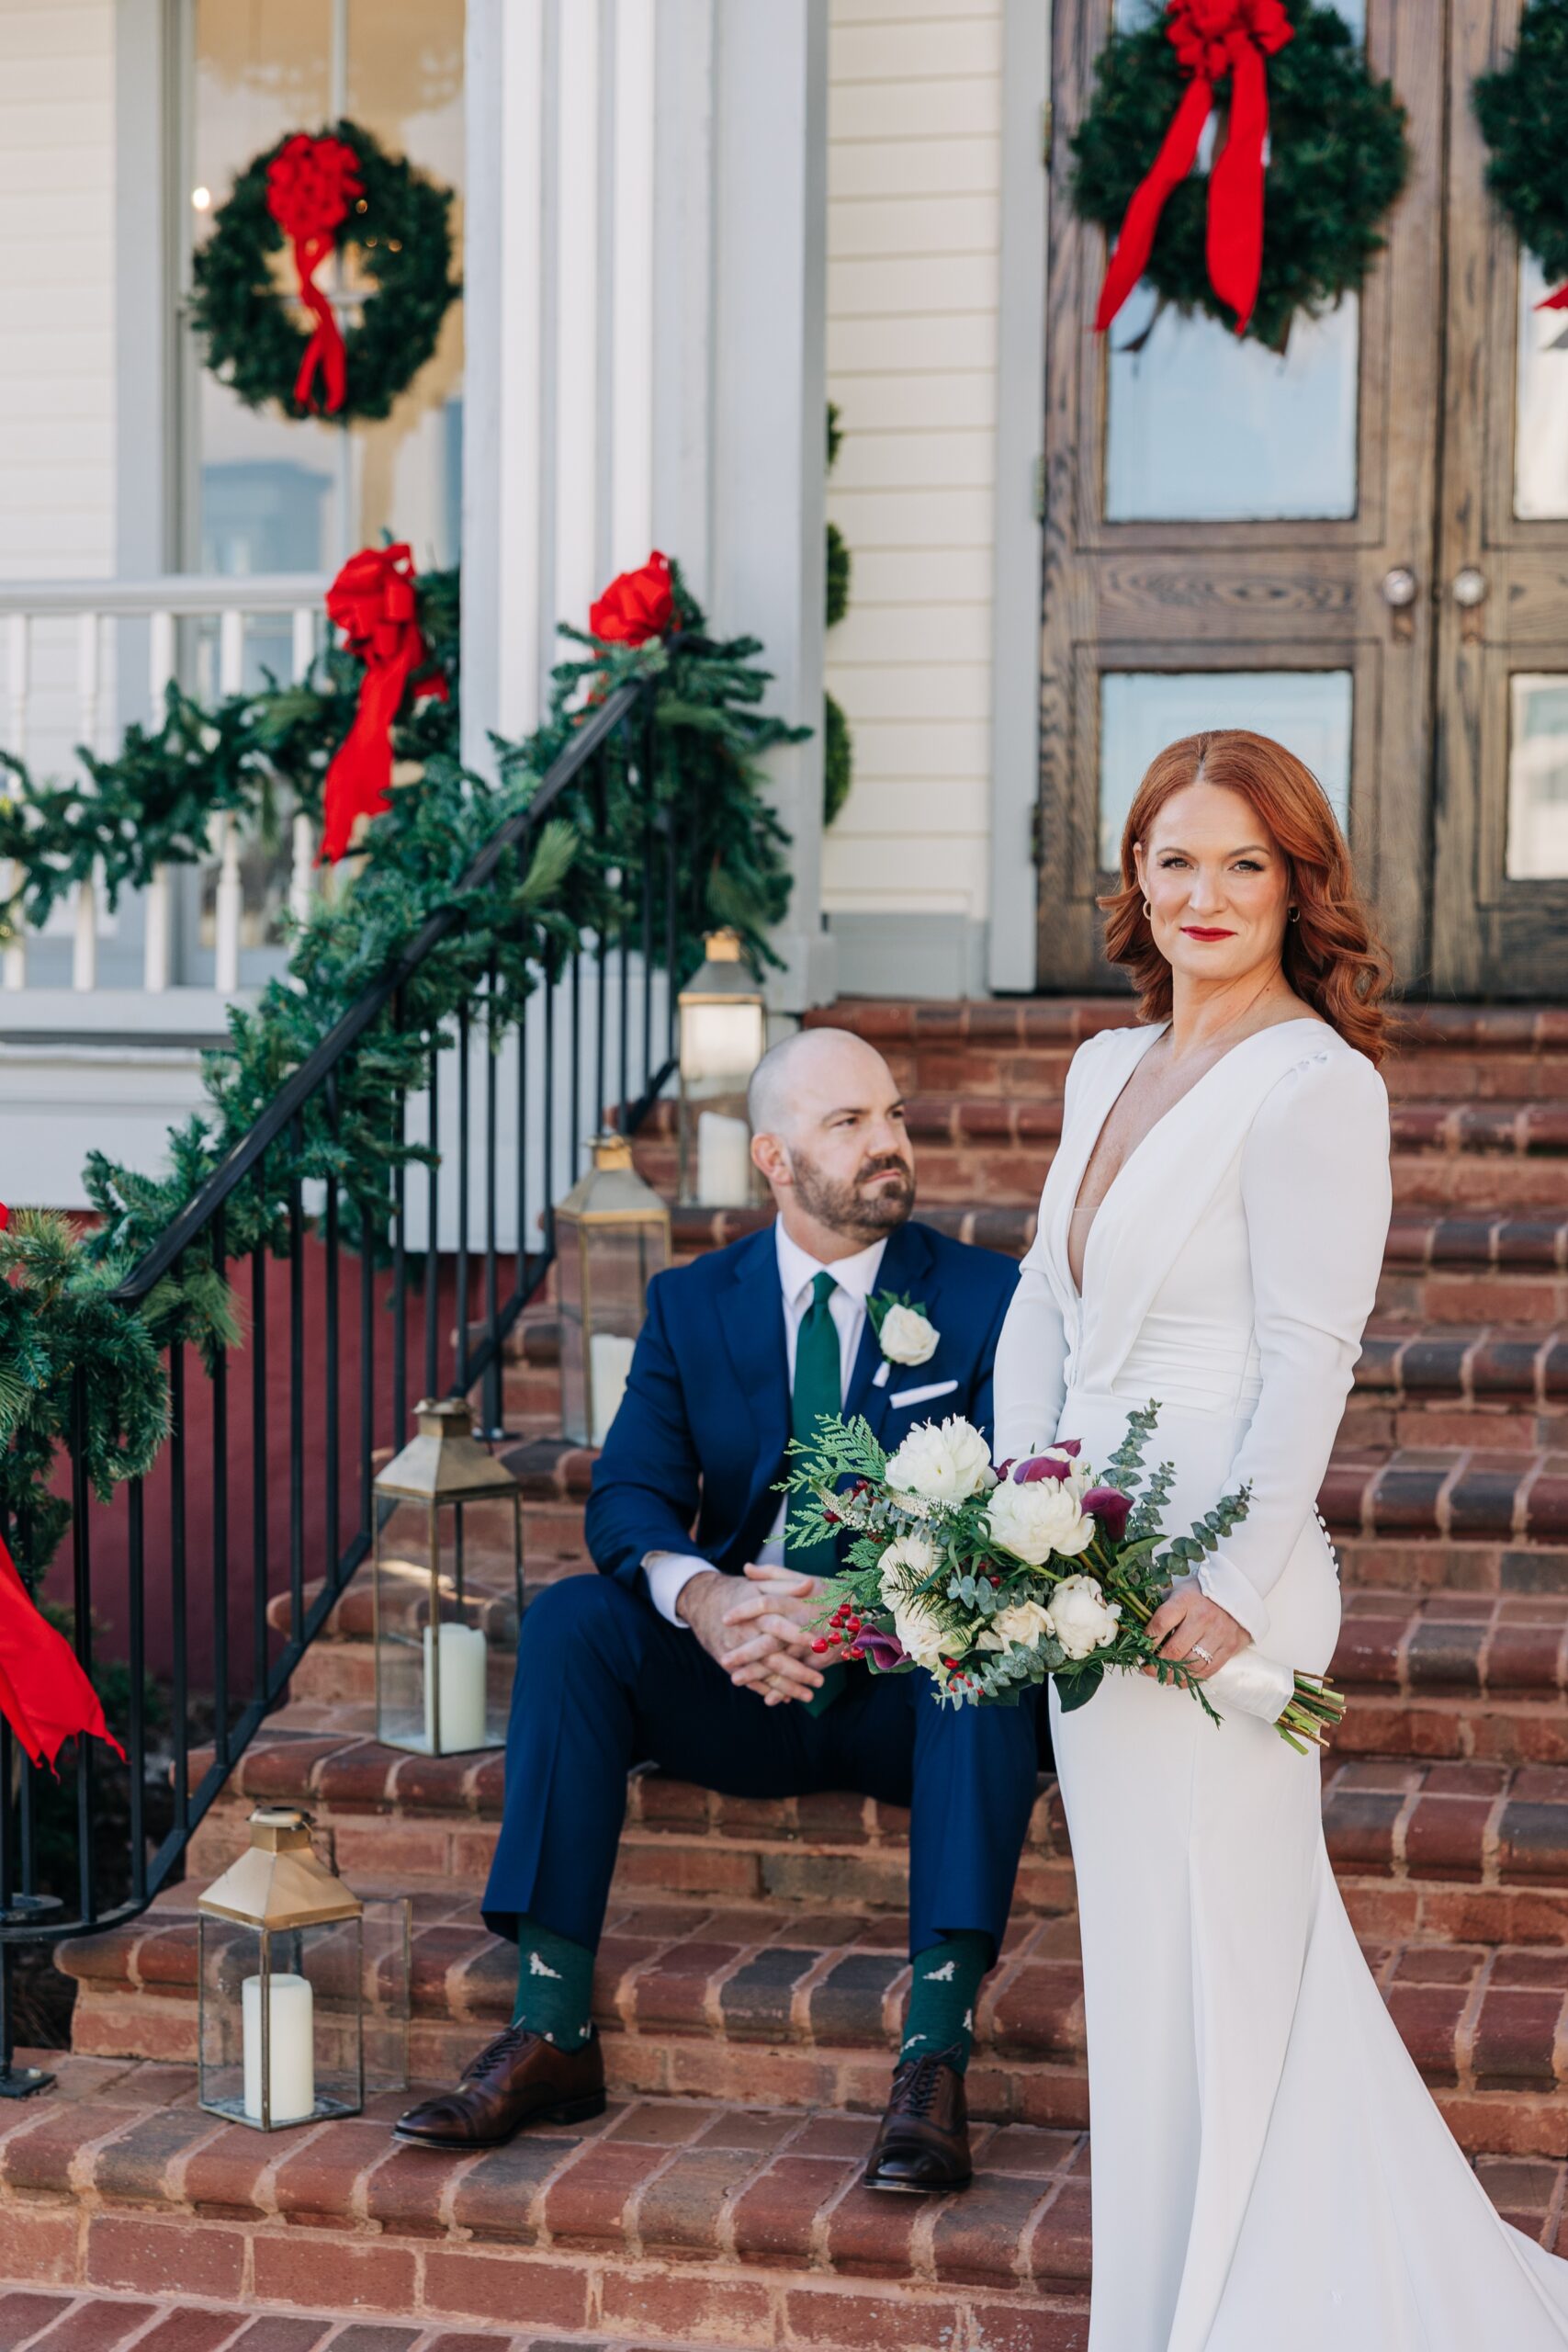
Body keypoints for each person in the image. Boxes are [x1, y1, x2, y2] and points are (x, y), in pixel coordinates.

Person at [992, 728, 1568, 2348]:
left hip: (1213, 1587)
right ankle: (1182, 2295)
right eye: (1172, 859)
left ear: (1295, 883)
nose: (1203, 894)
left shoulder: (1319, 1086)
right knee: (1155, 1966)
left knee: (1227, 1961)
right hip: (1077, 1567)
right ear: (1133, 879)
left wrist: (1228, 1587)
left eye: (1244, 863)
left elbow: (1310, 1354)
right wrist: (1018, 1502)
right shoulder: (1102, 1068)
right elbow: (1048, 1293)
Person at [396, 1025, 1035, 2191]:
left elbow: (1008, 1512)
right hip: (744, 1684)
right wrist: (710, 1602)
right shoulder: (694, 1303)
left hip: (901, 1689)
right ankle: (551, 2029)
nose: (889, 1142)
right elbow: (630, 1492)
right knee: (574, 1624)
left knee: (983, 1664)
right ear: (774, 1160)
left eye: (892, 1114)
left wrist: (857, 1607)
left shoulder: (990, 1297)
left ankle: (935, 2056)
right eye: (850, 1124)